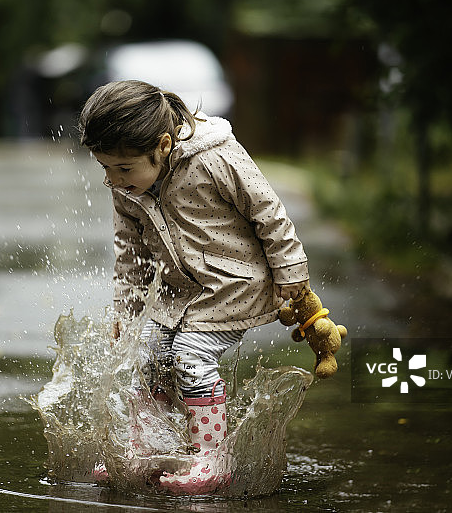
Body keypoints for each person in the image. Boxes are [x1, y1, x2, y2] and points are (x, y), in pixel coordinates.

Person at [78, 80, 310, 494]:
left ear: (163, 145)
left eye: (123, 168)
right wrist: (125, 309)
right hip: (180, 293)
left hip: (233, 286)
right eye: (105, 168)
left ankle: (211, 458)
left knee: (189, 356)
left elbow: (268, 212)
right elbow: (129, 250)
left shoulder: (215, 157)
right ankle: (148, 448)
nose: (112, 180)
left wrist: (290, 268)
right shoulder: (127, 186)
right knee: (145, 354)